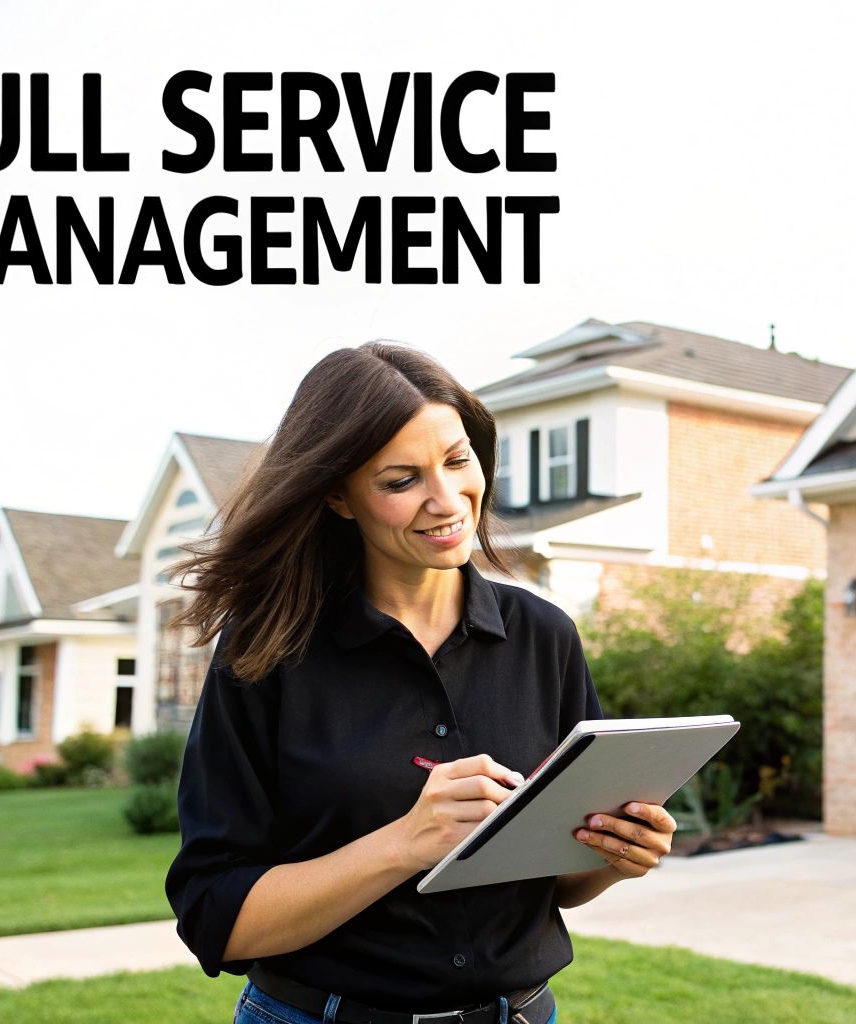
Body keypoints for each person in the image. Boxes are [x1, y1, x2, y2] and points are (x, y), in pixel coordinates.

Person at [164, 342, 678, 1024]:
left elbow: (554, 882)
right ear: (340, 498)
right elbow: (216, 917)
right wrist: (406, 842)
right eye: (401, 480)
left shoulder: (543, 637)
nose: (447, 500)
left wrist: (615, 854)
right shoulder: (267, 653)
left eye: (457, 460)